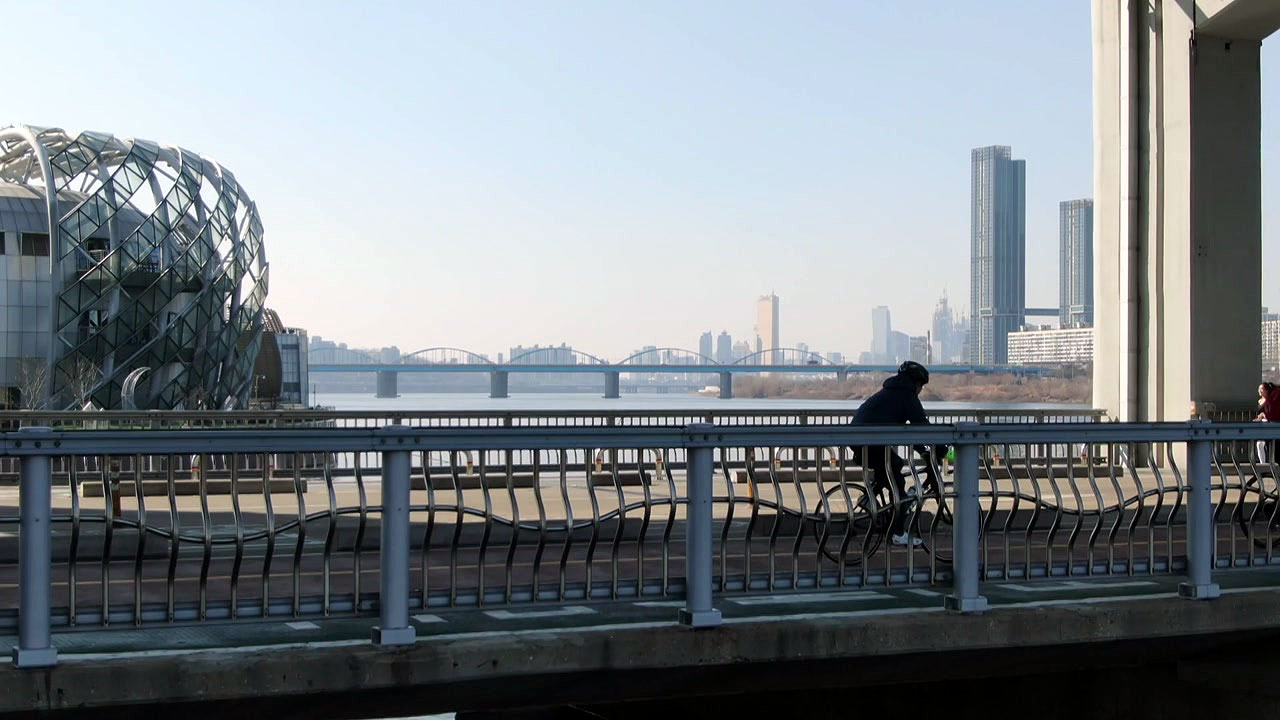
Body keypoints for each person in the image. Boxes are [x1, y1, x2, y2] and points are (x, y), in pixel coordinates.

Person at [848, 361, 939, 546]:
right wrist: (940, 448)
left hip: (863, 441)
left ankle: (869, 498)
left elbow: (910, 431)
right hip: (870, 443)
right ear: (916, 382)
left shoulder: (893, 392)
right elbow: (922, 426)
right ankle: (897, 533)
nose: (921, 390)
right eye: (921, 386)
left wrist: (923, 450)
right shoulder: (906, 396)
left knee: (895, 465)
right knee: (897, 482)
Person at [1255, 382, 1280, 463]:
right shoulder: (1268, 400)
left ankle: (1270, 465)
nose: (1259, 391)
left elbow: (1273, 414)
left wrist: (1265, 415)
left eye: (1261, 389)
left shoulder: (1272, 399)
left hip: (1272, 425)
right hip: (1266, 425)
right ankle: (1264, 465)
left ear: (1267, 390)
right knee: (1261, 444)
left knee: (1269, 445)